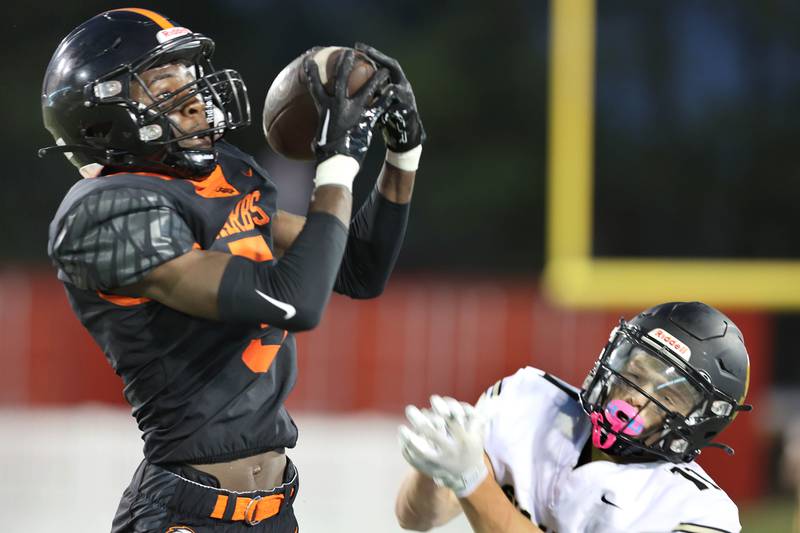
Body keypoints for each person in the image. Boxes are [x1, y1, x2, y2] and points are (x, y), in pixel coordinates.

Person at [41, 8, 424, 532]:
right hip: (185, 512)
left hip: (274, 509)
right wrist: (336, 163)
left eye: (190, 78)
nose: (195, 97)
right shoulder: (103, 214)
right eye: (166, 83)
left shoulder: (227, 173)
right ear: (102, 114)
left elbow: (359, 268)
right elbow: (296, 300)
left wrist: (404, 153)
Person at [396, 301, 752, 533]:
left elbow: (472, 485)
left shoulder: (701, 513)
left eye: (667, 394)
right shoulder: (526, 397)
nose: (635, 394)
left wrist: (472, 480)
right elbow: (415, 517)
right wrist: (437, 465)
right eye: (637, 371)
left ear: (702, 420)